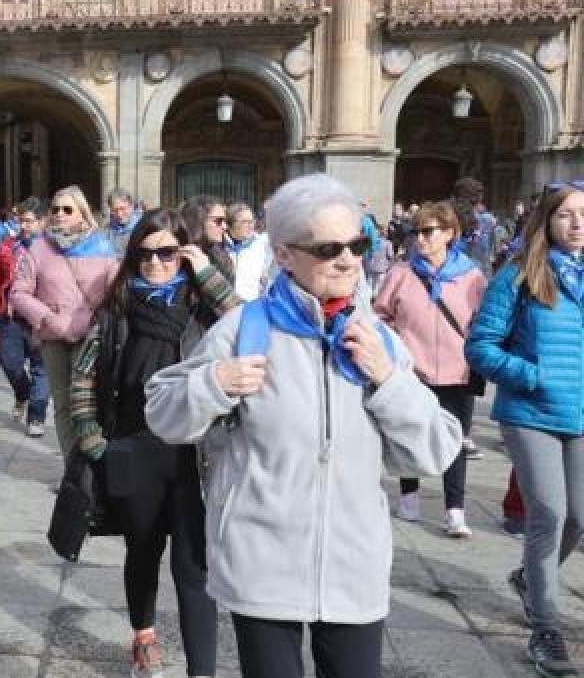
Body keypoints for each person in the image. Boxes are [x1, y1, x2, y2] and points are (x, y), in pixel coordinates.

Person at [144, 174, 461, 678]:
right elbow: (162, 412)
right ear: (285, 254)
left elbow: (435, 451)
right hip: (262, 563)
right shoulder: (245, 328)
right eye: (328, 247)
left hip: (353, 566)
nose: (348, 259)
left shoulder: (376, 339)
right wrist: (215, 382)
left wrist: (387, 381)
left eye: (358, 243)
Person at [71, 208, 239, 678]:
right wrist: (92, 440)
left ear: (183, 253)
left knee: (193, 565)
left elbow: (246, 318)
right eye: (145, 253)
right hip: (134, 446)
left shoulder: (201, 307)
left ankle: (201, 670)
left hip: (194, 453)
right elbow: (83, 377)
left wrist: (203, 269)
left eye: (167, 252)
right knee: (142, 551)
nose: (155, 262)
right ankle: (143, 636)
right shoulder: (115, 309)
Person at [465, 180, 584, 678]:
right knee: (549, 514)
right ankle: (546, 628)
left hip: (580, 415)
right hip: (530, 413)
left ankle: (530, 579)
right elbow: (481, 346)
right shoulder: (519, 274)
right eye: (567, 215)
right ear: (546, 221)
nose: (578, 224)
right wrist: (530, 375)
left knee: (578, 517)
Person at [373, 201, 487, 538]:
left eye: (429, 231)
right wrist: (397, 344)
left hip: (458, 371)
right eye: (416, 232)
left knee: (457, 441)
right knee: (409, 433)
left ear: (449, 234)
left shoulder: (472, 277)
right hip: (413, 371)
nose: (420, 239)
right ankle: (409, 497)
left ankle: (455, 510)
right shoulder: (400, 274)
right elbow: (380, 316)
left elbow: (484, 322)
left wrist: (477, 352)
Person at [9, 185, 119, 456]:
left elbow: (116, 293)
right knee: (63, 406)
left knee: (91, 402)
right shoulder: (39, 247)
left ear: (82, 214)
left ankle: (96, 461)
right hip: (54, 338)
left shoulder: (103, 246)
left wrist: (102, 323)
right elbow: (19, 293)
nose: (59, 214)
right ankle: (73, 470)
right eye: (55, 209)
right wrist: (47, 318)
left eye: (67, 209)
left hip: (92, 338)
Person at [0, 198, 49, 436]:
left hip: (41, 318)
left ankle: (37, 416)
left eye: (29, 221)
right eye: (21, 220)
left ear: (43, 222)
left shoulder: (52, 249)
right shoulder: (8, 246)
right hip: (12, 316)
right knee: (9, 362)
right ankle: (22, 393)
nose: (24, 225)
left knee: (40, 369)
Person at [224, 202, 273, 301]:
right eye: (245, 221)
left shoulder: (263, 244)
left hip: (250, 308)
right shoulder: (219, 245)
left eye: (252, 221)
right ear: (230, 224)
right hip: (223, 308)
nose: (251, 225)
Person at [179, 195, 235, 282]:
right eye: (218, 221)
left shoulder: (222, 257)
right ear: (197, 220)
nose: (225, 226)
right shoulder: (174, 256)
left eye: (225, 221)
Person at [104, 187, 142, 255]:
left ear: (131, 207)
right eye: (115, 210)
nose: (119, 214)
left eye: (123, 209)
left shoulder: (142, 227)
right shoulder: (107, 230)